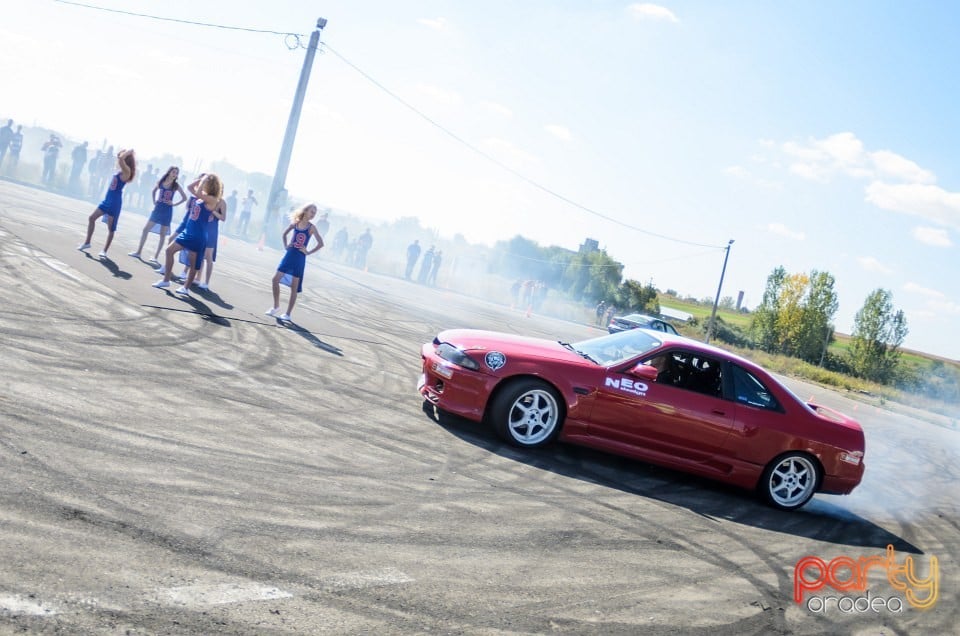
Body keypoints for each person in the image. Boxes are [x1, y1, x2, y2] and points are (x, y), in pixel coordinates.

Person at [152, 174, 224, 297]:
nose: (203, 183)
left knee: (193, 262)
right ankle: (166, 280)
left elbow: (197, 193)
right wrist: (202, 179)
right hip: (188, 231)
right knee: (169, 251)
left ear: (211, 185)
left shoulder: (212, 199)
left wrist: (203, 181)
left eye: (206, 182)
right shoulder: (202, 196)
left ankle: (185, 288)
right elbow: (190, 187)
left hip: (198, 235)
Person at [265, 203, 324, 321]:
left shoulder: (312, 227)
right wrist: (286, 246)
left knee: (294, 287)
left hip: (299, 258)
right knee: (275, 279)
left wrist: (308, 252)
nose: (313, 215)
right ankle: (276, 306)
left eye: (315, 213)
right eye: (312, 211)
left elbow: (321, 244)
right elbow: (284, 234)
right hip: (289, 255)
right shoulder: (296, 223)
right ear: (305, 211)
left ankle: (287, 314)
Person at [77, 149, 137, 258]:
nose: (118, 157)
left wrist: (129, 152)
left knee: (111, 228)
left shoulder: (127, 171)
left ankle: (104, 251)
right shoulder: (120, 170)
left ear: (126, 158)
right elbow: (119, 160)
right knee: (91, 218)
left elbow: (120, 159)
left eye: (120, 155)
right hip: (107, 200)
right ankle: (87, 242)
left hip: (115, 203)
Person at [128, 166, 186, 265]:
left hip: (167, 211)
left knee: (162, 234)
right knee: (145, 229)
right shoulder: (161, 181)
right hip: (158, 208)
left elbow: (184, 198)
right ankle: (138, 252)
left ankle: (155, 256)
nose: (174, 174)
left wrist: (173, 204)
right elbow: (154, 191)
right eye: (173, 172)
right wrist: (154, 201)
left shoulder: (176, 185)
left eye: (176, 173)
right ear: (169, 172)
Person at [199, 195, 227, 290]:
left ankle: (206, 282)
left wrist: (213, 211)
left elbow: (223, 218)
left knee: (208, 256)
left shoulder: (222, 202)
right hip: (202, 228)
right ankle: (197, 278)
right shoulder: (208, 198)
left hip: (212, 230)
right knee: (200, 254)